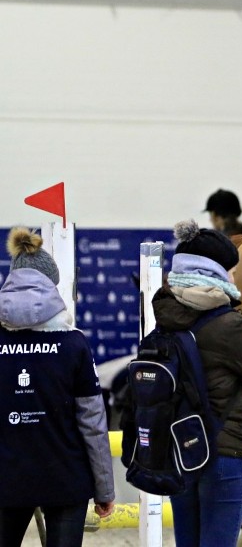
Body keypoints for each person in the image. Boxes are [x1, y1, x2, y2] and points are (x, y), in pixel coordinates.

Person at [158, 220, 242, 546]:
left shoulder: (163, 318)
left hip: (179, 450)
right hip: (223, 452)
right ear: (210, 272)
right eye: (228, 270)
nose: (233, 278)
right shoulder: (229, 324)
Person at [0, 227, 115, 546]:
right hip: (66, 481)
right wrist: (104, 489)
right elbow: (93, 424)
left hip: (6, 480)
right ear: (51, 288)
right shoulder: (74, 345)